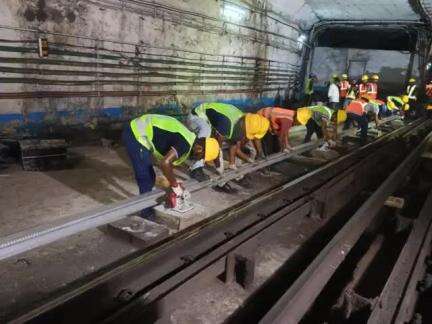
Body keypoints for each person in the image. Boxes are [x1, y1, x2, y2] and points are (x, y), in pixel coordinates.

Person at [122, 114, 220, 217]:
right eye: (201, 157)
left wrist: (173, 180)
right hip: (135, 132)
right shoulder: (185, 144)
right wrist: (175, 185)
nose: (199, 160)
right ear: (199, 148)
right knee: (145, 177)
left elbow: (168, 162)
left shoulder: (189, 139)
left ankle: (147, 205)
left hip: (143, 129)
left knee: (151, 176)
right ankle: (146, 213)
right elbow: (165, 163)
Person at [192, 102, 269, 171]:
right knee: (207, 134)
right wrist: (219, 163)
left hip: (210, 121)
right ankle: (197, 167)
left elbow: (234, 144)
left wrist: (234, 163)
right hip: (196, 115)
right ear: (244, 125)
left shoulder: (240, 123)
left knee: (214, 136)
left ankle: (230, 164)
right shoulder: (227, 124)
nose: (245, 136)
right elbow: (218, 145)